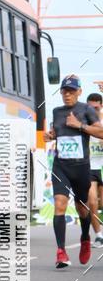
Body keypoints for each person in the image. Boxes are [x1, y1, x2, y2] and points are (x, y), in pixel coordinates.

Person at [43, 75, 103, 268]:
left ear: (79, 92)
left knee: (82, 208)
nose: (67, 94)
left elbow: (101, 132)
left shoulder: (86, 110)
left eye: (71, 91)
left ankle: (85, 237)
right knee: (59, 204)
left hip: (81, 167)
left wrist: (81, 126)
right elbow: (57, 132)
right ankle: (61, 252)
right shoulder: (57, 111)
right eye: (64, 91)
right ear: (60, 92)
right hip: (61, 165)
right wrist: (50, 135)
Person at [85, 91, 103, 246]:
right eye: (90, 109)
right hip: (90, 167)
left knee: (102, 203)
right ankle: (99, 235)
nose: (93, 112)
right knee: (92, 202)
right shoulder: (82, 122)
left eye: (96, 109)